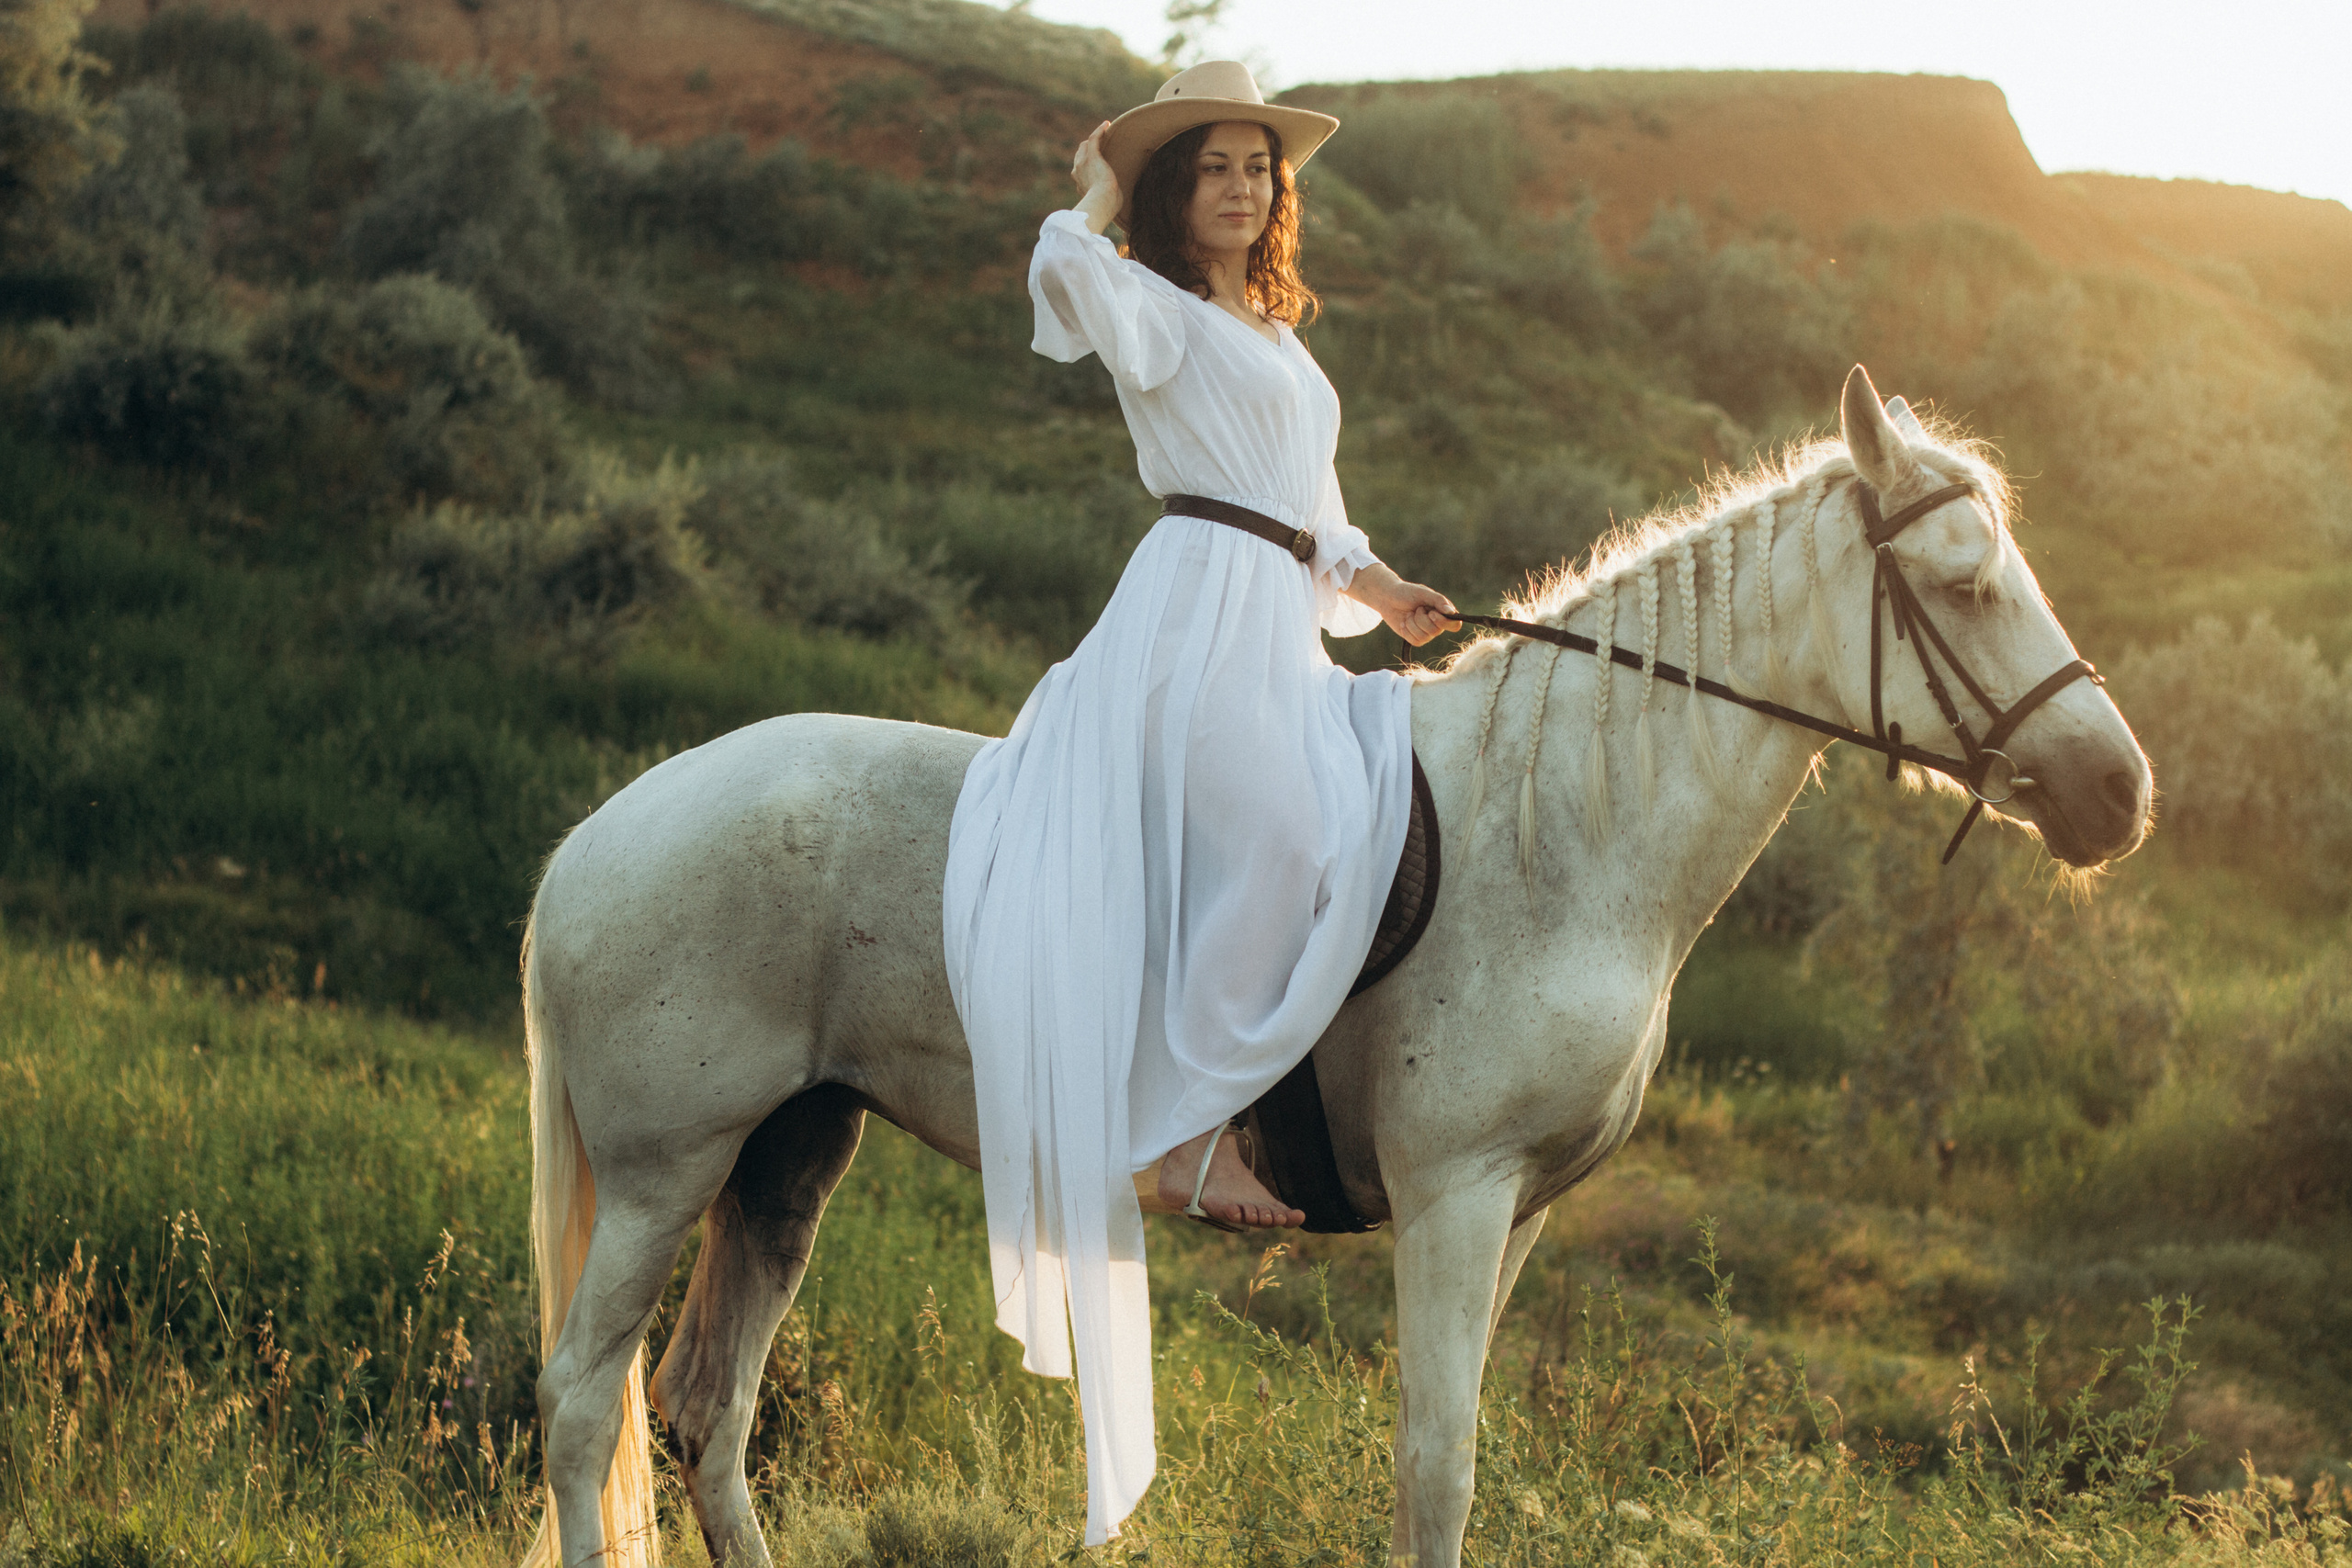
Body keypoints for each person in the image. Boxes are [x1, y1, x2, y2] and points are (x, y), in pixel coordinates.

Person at [939, 60, 1455, 1544]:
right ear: (1175, 188)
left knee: (1355, 814)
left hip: (1281, 609)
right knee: (1291, 837)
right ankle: (1183, 1143)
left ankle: (1293, 1109)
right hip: (1193, 617)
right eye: (1214, 164)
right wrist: (1098, 181)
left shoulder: (1271, 330)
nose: (1243, 184)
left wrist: (1378, 583)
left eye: (1259, 167)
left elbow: (1321, 506)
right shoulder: (1148, 303)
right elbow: (1055, 271)